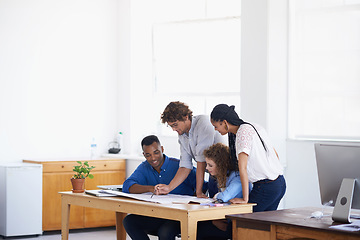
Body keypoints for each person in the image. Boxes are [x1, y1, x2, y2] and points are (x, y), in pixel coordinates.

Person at [210, 104, 286, 212]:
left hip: (265, 186)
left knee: (241, 223)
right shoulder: (254, 126)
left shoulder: (242, 133)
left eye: (216, 126)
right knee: (264, 226)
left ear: (225, 122)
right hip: (280, 183)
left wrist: (245, 199)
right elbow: (274, 153)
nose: (215, 129)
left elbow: (243, 168)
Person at [122, 135, 201, 240]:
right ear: (144, 155)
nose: (153, 158)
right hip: (159, 215)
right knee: (129, 221)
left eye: (156, 152)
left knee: (165, 232)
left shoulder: (180, 166)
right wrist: (151, 188)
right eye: (148, 155)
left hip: (180, 216)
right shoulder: (144, 167)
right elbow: (127, 186)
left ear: (162, 149)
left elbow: (202, 186)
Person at [156, 101, 223, 198]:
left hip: (226, 172)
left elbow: (201, 161)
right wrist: (169, 188)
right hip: (213, 173)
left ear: (186, 117)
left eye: (175, 125)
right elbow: (185, 166)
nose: (173, 129)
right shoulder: (182, 134)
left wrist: (198, 192)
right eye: (171, 126)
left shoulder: (203, 123)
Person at [197, 143, 253, 240]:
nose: (206, 168)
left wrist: (216, 196)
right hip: (226, 217)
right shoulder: (222, 176)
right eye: (207, 164)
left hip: (237, 222)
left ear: (221, 165)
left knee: (200, 230)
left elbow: (223, 197)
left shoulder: (237, 177)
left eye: (210, 165)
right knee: (200, 226)